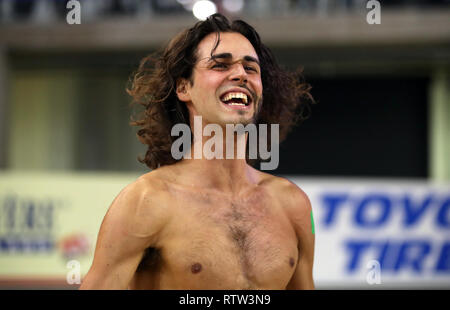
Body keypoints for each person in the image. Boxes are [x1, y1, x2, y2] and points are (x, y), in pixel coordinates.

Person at [80, 13, 315, 290]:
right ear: (183, 87)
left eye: (251, 68)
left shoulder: (294, 205)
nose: (240, 74)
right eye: (220, 64)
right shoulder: (146, 201)